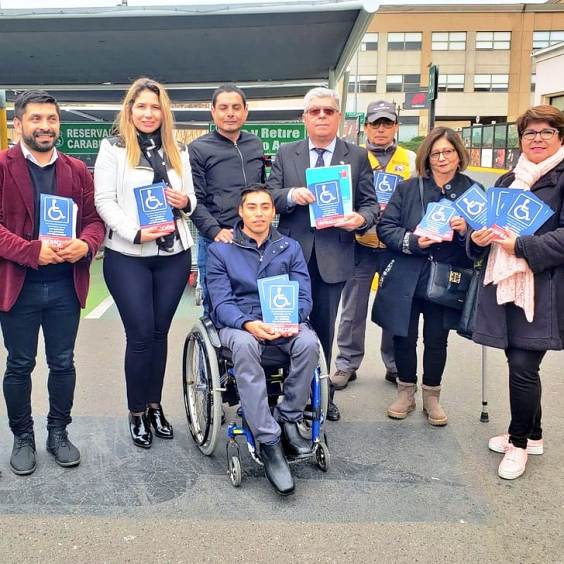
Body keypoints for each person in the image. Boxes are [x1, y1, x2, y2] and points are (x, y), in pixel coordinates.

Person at [0, 90, 105, 475]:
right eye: (36, 119)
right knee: (19, 364)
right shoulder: (2, 165)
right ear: (18, 124)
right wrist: (31, 251)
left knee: (62, 363)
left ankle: (58, 432)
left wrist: (86, 243)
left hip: (64, 284)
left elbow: (95, 220)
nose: (45, 126)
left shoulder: (77, 169)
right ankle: (22, 437)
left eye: (51, 119)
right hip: (19, 285)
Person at [94, 78, 196, 449]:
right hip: (128, 256)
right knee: (139, 337)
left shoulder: (178, 149)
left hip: (173, 254)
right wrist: (134, 233)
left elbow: (192, 201)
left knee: (158, 334)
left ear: (163, 111)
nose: (149, 113)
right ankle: (136, 412)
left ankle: (155, 406)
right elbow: (104, 201)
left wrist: (183, 201)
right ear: (130, 110)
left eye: (155, 107)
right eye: (141, 107)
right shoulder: (114, 148)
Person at [268, 87, 379, 422]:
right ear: (304, 118)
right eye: (314, 111)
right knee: (286, 326)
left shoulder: (356, 156)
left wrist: (360, 219)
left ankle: (321, 395)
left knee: (324, 330)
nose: (320, 117)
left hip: (334, 257)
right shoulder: (287, 153)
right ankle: (289, 395)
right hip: (290, 258)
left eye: (327, 111)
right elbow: (269, 195)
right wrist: (290, 195)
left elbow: (371, 204)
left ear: (338, 117)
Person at [468, 105, 564, 480]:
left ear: (559, 137)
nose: (537, 139)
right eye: (530, 133)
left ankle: (519, 443)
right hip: (506, 283)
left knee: (524, 366)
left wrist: (521, 247)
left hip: (543, 288)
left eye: (546, 132)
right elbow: (488, 229)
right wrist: (477, 239)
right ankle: (534, 434)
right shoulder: (509, 179)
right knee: (519, 361)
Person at [206, 185, 319, 496]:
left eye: (265, 207)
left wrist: (290, 321)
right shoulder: (221, 250)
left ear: (273, 212)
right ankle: (268, 441)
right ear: (241, 212)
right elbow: (220, 301)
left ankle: (288, 418)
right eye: (252, 207)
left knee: (309, 343)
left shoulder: (289, 247)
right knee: (244, 346)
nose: (259, 213)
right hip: (240, 323)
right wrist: (247, 323)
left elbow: (304, 295)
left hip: (283, 322)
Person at [373, 127, 475, 425]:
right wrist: (414, 241)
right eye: (435, 153)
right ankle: (406, 390)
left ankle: (432, 395)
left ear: (459, 155)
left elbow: (483, 239)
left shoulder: (471, 192)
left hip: (446, 276)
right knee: (402, 336)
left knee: (436, 339)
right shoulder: (408, 188)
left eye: (448, 152)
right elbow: (385, 227)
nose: (442, 158)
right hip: (408, 273)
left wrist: (466, 231)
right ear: (427, 158)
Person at [333, 100, 416, 390]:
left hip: (396, 246)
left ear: (396, 127)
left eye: (387, 123)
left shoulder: (411, 159)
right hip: (359, 243)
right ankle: (346, 362)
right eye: (375, 123)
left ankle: (393, 364)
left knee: (393, 305)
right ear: (366, 126)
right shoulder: (353, 157)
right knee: (352, 307)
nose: (381, 129)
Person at [188, 84, 264, 308]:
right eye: (223, 107)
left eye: (235, 107)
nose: (230, 113)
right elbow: (194, 200)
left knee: (255, 304)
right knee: (217, 305)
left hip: (254, 241)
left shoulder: (255, 144)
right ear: (213, 111)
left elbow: (261, 191)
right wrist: (215, 231)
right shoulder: (198, 149)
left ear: (245, 111)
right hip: (217, 242)